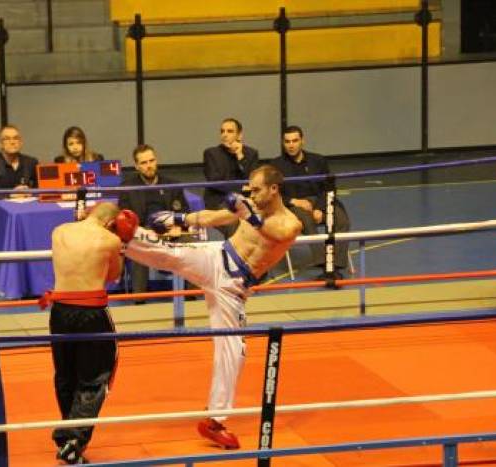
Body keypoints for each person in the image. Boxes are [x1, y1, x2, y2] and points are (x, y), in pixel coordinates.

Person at [124, 164, 302, 449]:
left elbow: (275, 234)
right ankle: (123, 235)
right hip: (218, 258)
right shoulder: (250, 207)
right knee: (174, 254)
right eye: (250, 189)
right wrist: (179, 218)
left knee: (234, 351)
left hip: (234, 287)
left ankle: (214, 422)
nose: (252, 194)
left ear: (274, 189)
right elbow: (212, 217)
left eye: (257, 189)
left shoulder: (289, 221)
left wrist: (247, 213)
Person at [41, 202, 138, 464]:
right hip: (91, 312)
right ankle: (73, 441)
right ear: (110, 223)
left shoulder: (59, 231)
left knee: (65, 374)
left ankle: (68, 436)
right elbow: (113, 277)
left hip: (59, 312)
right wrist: (121, 242)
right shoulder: (109, 239)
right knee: (97, 378)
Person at [271, 125, 351, 279]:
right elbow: (273, 193)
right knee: (306, 221)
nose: (291, 145)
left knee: (341, 221)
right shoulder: (276, 165)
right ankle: (325, 265)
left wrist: (320, 208)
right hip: (293, 205)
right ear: (283, 143)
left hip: (319, 201)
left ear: (302, 141)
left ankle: (336, 265)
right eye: (287, 141)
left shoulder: (318, 160)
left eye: (295, 140)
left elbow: (329, 188)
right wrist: (294, 201)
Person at [118, 144, 191, 300]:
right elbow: (123, 218)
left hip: (170, 230)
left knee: (191, 242)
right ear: (137, 166)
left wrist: (178, 226)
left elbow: (185, 212)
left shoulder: (172, 184)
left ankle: (192, 296)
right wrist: (143, 231)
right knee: (137, 245)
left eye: (151, 160)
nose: (149, 165)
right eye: (144, 163)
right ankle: (139, 299)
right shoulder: (127, 188)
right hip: (143, 232)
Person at [203, 118, 259, 239]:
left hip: (247, 201)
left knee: (263, 223)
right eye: (222, 131)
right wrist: (241, 187)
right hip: (220, 201)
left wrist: (240, 157)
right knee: (234, 223)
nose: (224, 135)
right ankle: (236, 257)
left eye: (229, 131)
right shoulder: (211, 153)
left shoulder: (251, 154)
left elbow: (253, 181)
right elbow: (214, 181)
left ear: (239, 135)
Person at [0, 125, 39, 221]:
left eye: (16, 138)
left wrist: (31, 192)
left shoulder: (31, 162)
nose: (12, 142)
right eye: (7, 139)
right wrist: (10, 194)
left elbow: (40, 188)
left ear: (21, 142)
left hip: (27, 211)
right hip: (0, 213)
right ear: (0, 144)